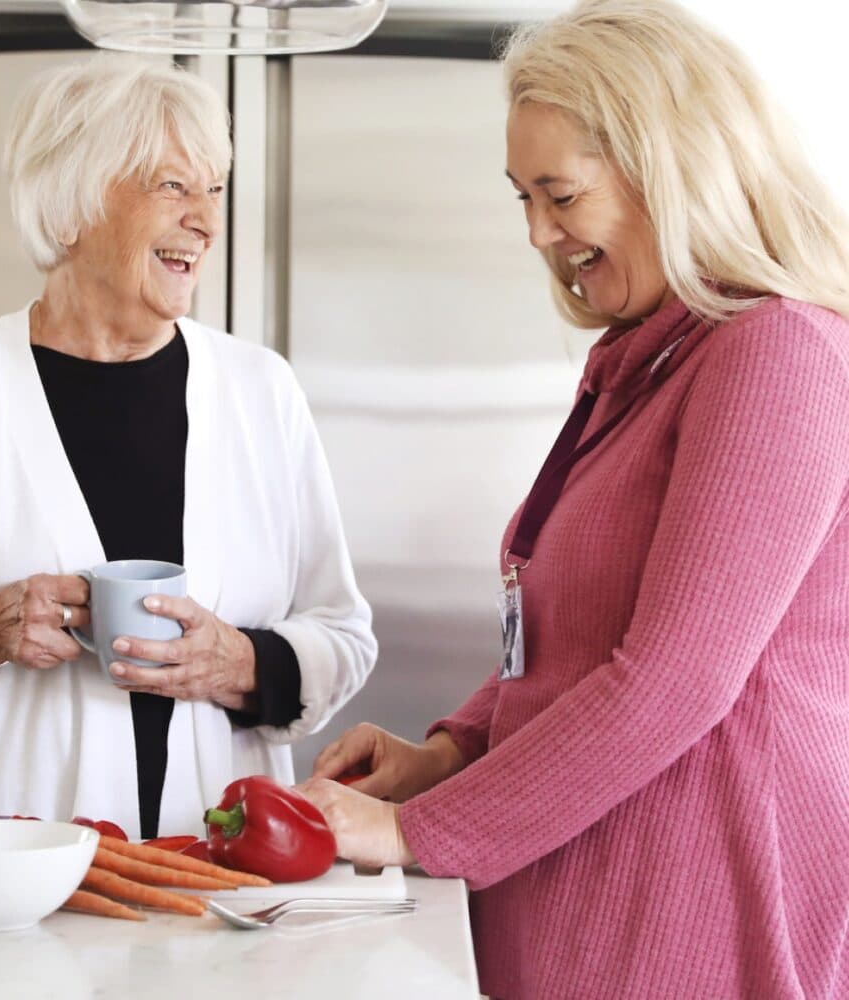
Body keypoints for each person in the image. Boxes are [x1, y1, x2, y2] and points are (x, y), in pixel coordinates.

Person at [299, 1, 849, 997]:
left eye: (558, 195)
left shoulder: (775, 356)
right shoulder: (643, 361)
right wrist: (448, 750)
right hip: (587, 869)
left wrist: (410, 829)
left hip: (692, 897)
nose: (538, 233)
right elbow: (565, 636)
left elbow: (672, 679)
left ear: (671, 169)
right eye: (521, 198)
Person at [0, 56, 376, 840]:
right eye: (173, 186)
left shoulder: (261, 393)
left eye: (214, 190)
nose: (207, 219)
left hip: (216, 881)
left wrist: (243, 665)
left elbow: (342, 633)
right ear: (72, 207)